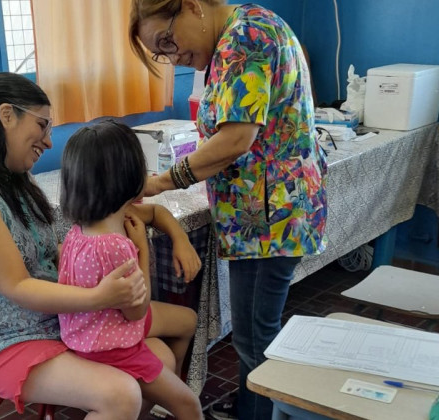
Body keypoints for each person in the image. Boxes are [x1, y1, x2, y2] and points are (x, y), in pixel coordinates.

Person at [0, 72, 170, 419]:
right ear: (7, 115)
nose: (49, 141)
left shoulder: (12, 175)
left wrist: (153, 226)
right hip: (2, 341)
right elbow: (18, 285)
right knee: (121, 394)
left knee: (160, 357)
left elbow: (58, 242)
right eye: (42, 126)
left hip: (55, 318)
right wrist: (100, 297)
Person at [128, 2, 328, 419]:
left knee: (255, 340)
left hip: (270, 218)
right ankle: (255, 406)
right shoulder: (235, 36)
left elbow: (236, 138)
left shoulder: (246, 37)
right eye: (160, 53)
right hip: (263, 214)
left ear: (194, 7)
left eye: (167, 41)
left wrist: (164, 181)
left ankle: (262, 413)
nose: (172, 55)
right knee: (255, 336)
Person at [58, 120, 203, 419]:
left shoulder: (76, 232)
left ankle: (159, 395)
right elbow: (137, 310)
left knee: (183, 326)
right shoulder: (117, 246)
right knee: (189, 405)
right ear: (129, 177)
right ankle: (163, 396)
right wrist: (142, 249)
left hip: (84, 337)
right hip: (116, 349)